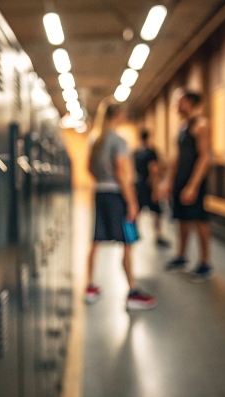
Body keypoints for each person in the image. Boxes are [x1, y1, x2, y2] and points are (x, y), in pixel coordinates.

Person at [86, 103, 156, 310]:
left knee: (96, 240)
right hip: (117, 195)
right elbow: (122, 173)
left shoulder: (94, 140)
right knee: (127, 240)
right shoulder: (119, 140)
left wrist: (101, 180)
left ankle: (89, 286)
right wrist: (132, 202)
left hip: (100, 192)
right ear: (117, 115)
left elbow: (88, 168)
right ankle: (132, 291)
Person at [162, 88, 213, 282]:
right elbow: (177, 157)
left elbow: (204, 157)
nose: (176, 105)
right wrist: (169, 181)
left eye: (179, 101)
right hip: (180, 180)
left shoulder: (201, 125)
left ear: (189, 101)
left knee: (199, 220)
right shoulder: (182, 127)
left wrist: (193, 185)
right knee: (182, 219)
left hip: (194, 181)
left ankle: (205, 263)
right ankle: (181, 255)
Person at [133, 130, 171, 248]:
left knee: (137, 210)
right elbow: (153, 170)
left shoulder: (136, 152)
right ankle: (158, 235)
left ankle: (134, 232)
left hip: (138, 184)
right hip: (149, 185)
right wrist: (155, 190)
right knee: (157, 211)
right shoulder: (151, 152)